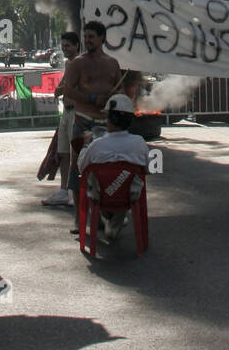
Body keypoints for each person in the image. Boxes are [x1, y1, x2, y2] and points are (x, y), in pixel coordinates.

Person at [64, 20, 123, 215]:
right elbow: (68, 91)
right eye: (85, 37)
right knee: (76, 165)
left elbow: (120, 89)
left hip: (106, 124)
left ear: (102, 38)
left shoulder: (113, 64)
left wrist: (114, 99)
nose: (87, 40)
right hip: (82, 121)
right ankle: (78, 218)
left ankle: (106, 211)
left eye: (91, 37)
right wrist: (91, 98)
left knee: (107, 167)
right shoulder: (77, 63)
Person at [76, 92, 150, 242]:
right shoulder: (140, 142)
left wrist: (85, 145)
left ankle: (109, 217)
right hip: (130, 196)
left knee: (94, 179)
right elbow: (147, 169)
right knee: (122, 183)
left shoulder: (97, 145)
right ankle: (115, 218)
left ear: (110, 119)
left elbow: (82, 168)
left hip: (101, 197)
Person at [42, 31, 81, 208]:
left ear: (76, 46)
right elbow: (62, 86)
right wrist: (61, 89)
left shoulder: (82, 64)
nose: (65, 49)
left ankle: (74, 192)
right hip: (66, 112)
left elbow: (74, 87)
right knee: (64, 153)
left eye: (68, 46)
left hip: (76, 113)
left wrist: (64, 88)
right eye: (63, 46)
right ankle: (64, 190)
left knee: (75, 155)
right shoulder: (68, 64)